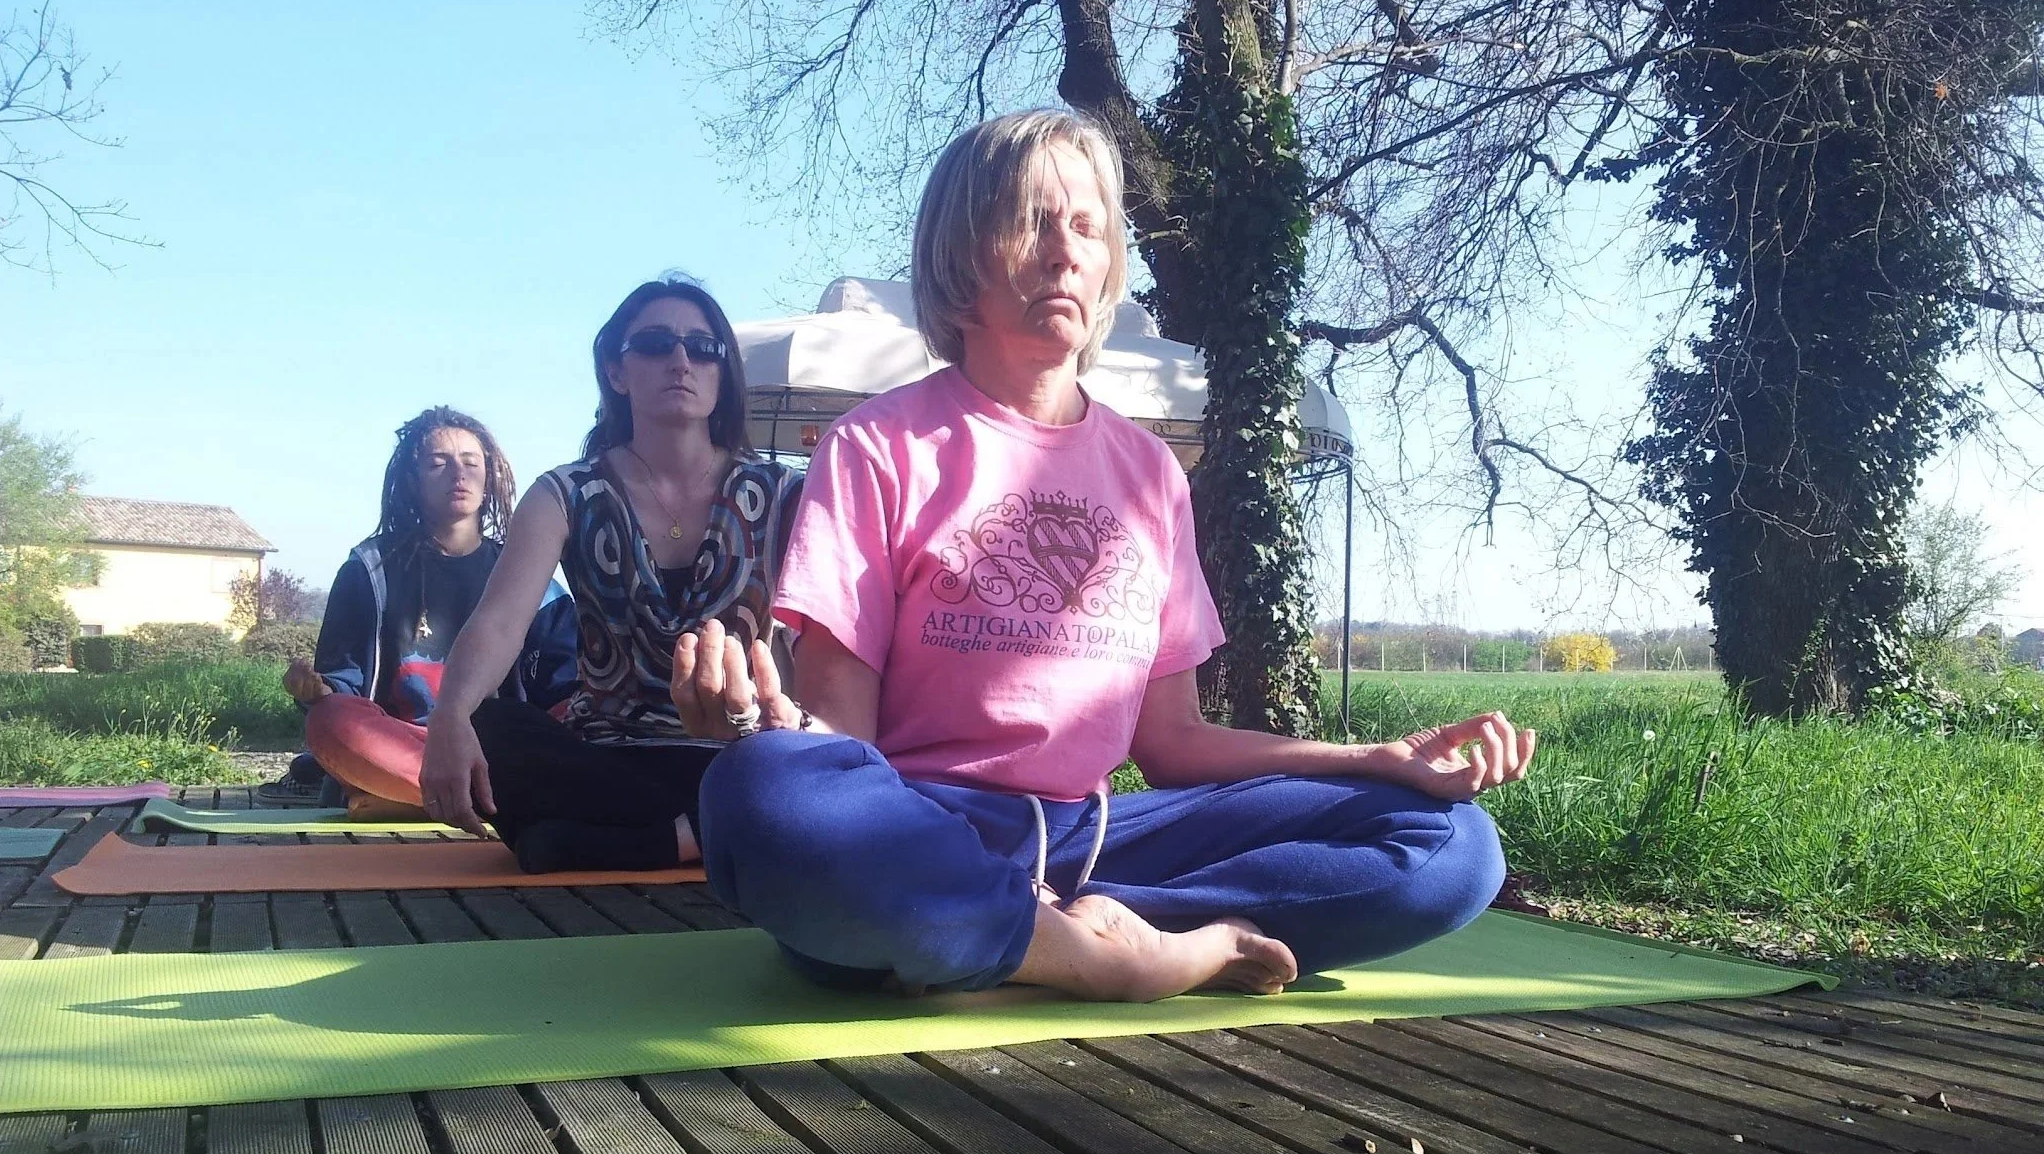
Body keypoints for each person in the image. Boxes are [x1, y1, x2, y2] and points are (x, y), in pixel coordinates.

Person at [684, 110, 1538, 1003]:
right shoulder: (876, 448)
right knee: (762, 792)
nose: (1063, 253)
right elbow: (842, 743)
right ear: (960, 255)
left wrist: (1377, 756)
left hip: (1098, 842)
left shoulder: (1150, 473)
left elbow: (1171, 744)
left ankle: (1022, 932)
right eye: (1030, 221)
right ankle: (1125, 956)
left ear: (1107, 266)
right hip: (920, 824)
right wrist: (758, 724)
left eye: (1085, 226)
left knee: (1452, 845)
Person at [417, 274, 802, 871]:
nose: (680, 359)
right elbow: (499, 624)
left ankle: (644, 843)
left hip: (742, 750)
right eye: (654, 344)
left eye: (702, 348)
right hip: (611, 758)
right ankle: (702, 835)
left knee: (803, 767)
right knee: (491, 726)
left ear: (722, 373)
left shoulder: (786, 494)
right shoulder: (565, 494)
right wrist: (449, 717)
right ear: (616, 371)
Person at [282, 408, 576, 816]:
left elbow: (564, 687)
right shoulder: (368, 571)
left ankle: (409, 800)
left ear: (489, 476)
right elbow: (345, 684)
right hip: (405, 746)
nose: (458, 473)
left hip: (500, 751)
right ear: (410, 480)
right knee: (330, 721)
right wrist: (318, 693)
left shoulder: (528, 567)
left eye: (471, 462)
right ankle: (480, 800)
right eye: (439, 463)